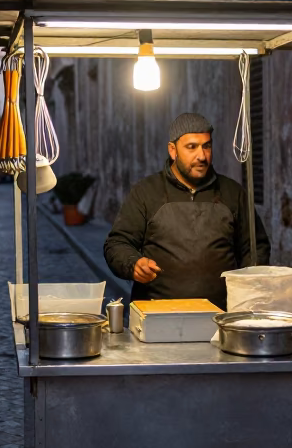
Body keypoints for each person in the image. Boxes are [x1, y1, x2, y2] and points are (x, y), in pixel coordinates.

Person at [104, 112, 270, 310]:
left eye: (206, 146)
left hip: (220, 316)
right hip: (158, 315)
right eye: (191, 147)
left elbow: (254, 247)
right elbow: (117, 243)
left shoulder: (232, 194)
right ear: (173, 150)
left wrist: (246, 291)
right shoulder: (146, 192)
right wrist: (133, 263)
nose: (202, 156)